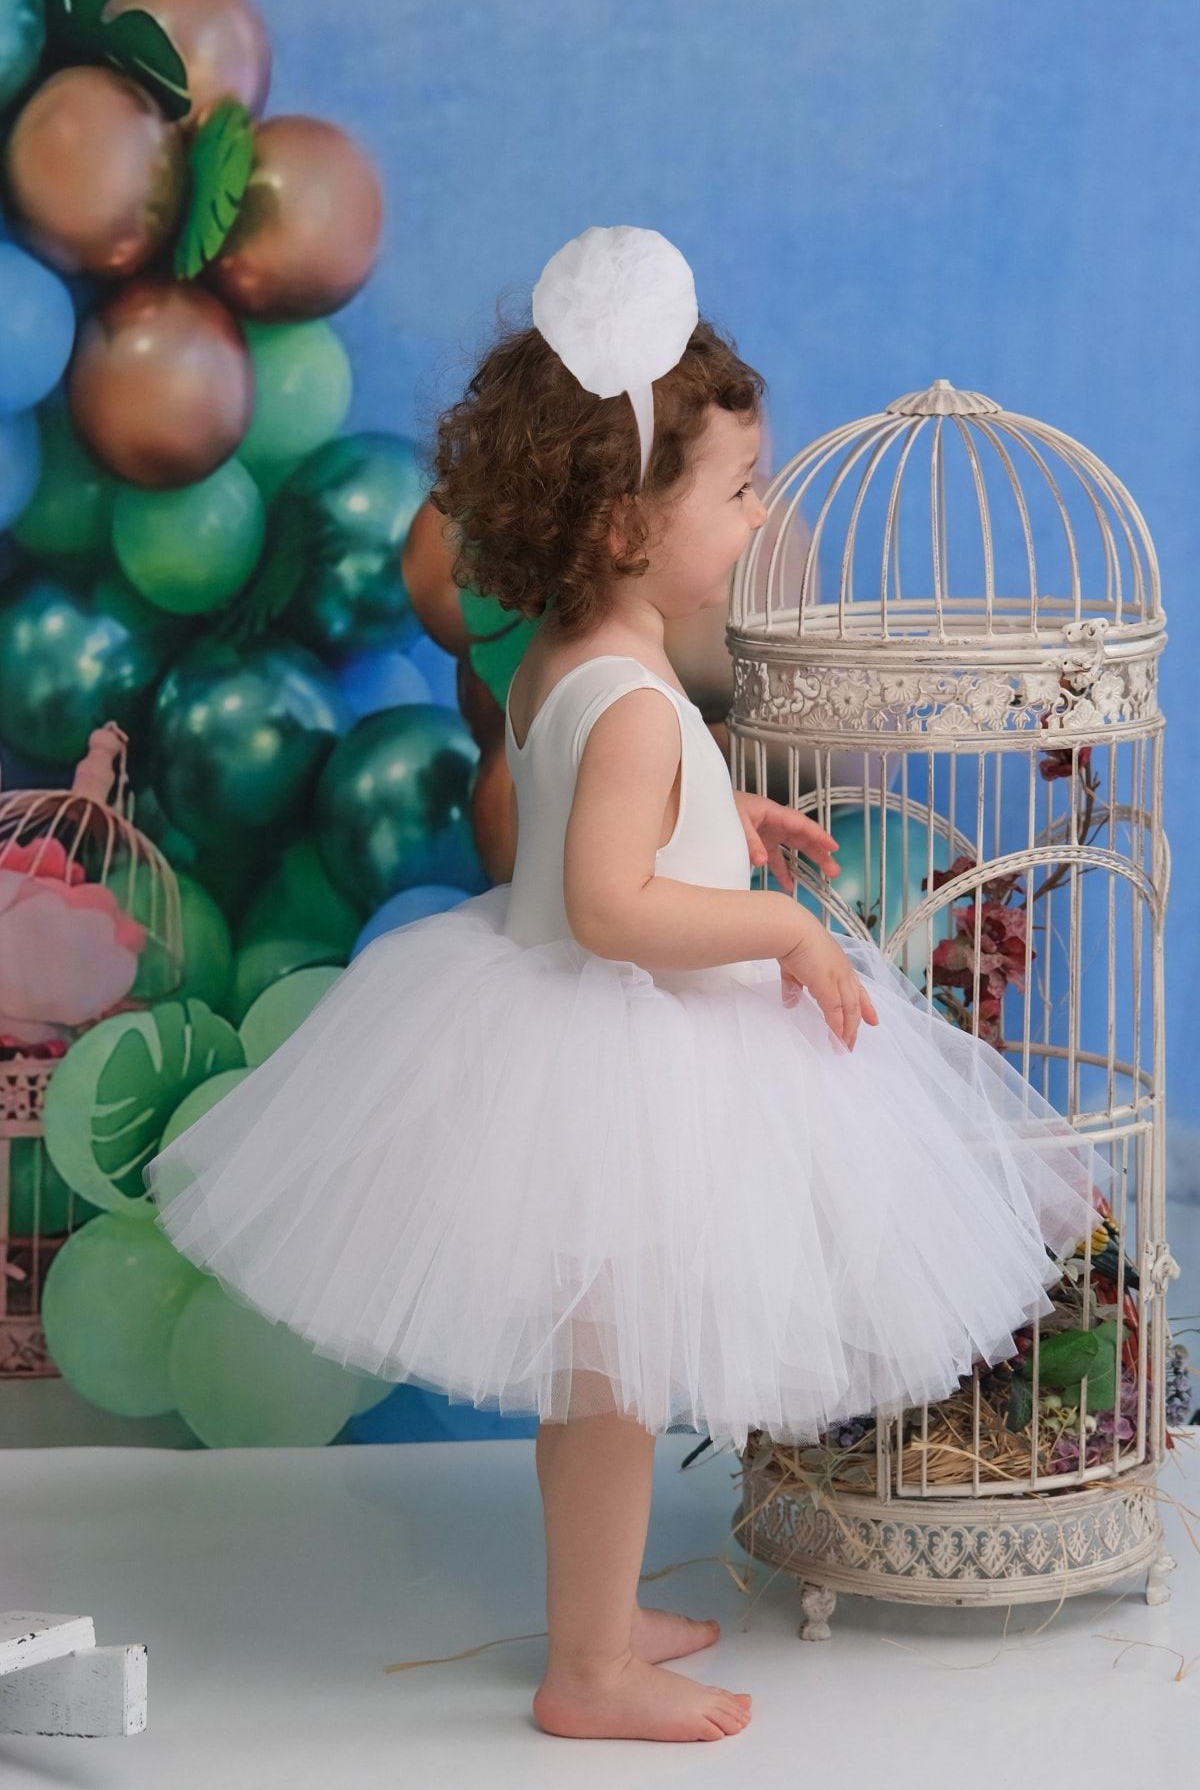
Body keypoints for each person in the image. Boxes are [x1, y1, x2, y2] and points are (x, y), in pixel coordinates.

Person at [143, 226, 1114, 1744]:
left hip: (557, 1036)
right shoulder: (637, 700)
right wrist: (782, 930)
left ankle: (598, 1619)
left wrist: (737, 818)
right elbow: (605, 903)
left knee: (598, 1386)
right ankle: (587, 1668)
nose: (762, 515)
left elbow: (613, 800)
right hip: (618, 1058)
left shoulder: (565, 658)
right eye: (737, 491)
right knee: (605, 1391)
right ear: (622, 526)